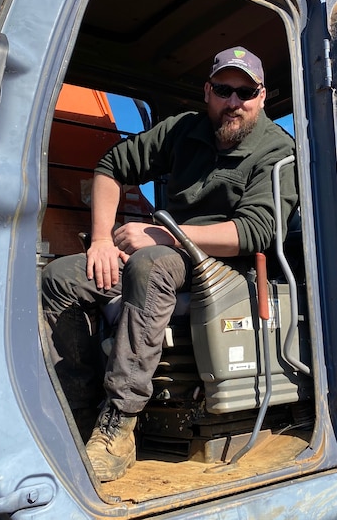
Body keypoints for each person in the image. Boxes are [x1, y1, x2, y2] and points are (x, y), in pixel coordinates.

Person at [41, 46, 298, 482]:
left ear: (261, 96)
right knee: (63, 276)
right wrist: (101, 240)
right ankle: (79, 415)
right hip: (169, 248)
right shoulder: (184, 130)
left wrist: (166, 234)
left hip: (230, 266)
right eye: (223, 90)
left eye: (245, 92)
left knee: (152, 264)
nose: (233, 102)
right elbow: (111, 166)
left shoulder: (277, 151)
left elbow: (256, 231)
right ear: (208, 92)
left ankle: (119, 425)